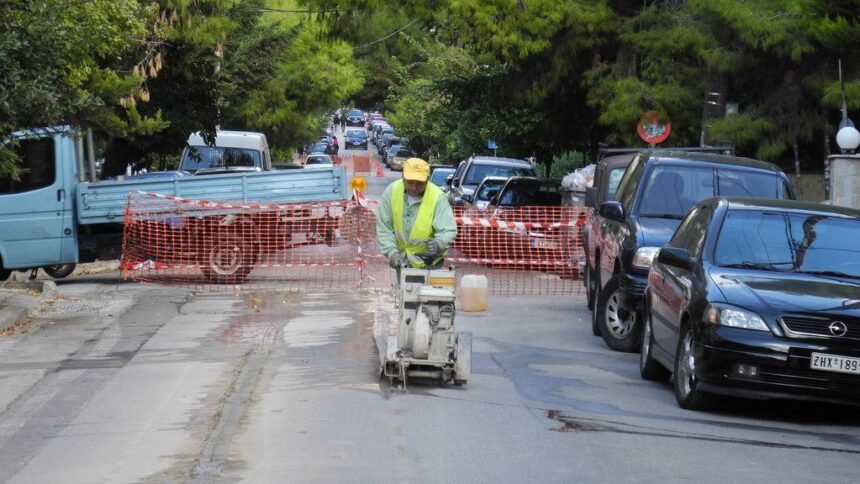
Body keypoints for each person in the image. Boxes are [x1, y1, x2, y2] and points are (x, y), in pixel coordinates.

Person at [377, 158, 457, 269]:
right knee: (405, 287)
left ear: (427, 179)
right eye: (410, 182)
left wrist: (439, 243)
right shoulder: (391, 192)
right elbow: (384, 228)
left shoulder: (437, 197)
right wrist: (392, 253)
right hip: (402, 262)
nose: (414, 188)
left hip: (429, 263)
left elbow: (448, 230)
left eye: (419, 184)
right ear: (403, 177)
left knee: (427, 287)